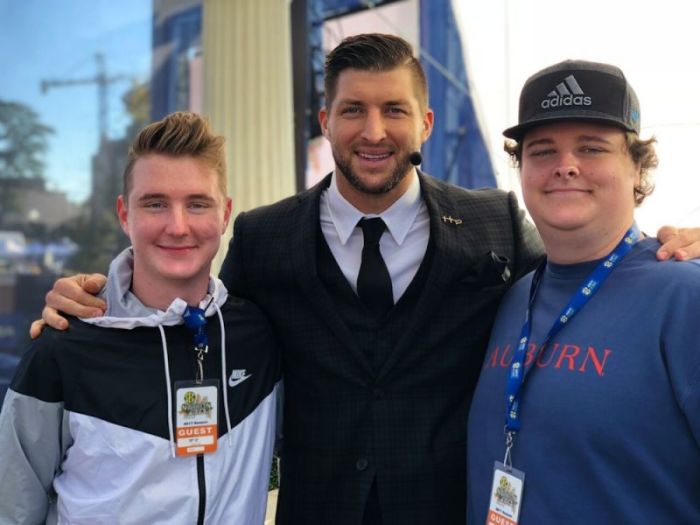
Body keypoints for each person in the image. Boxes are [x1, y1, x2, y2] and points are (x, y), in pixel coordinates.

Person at [32, 36, 700, 524]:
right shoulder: (265, 238)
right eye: (352, 110)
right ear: (326, 122)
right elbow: (198, 323)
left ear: (426, 124)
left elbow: (588, 270)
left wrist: (672, 240)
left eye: (394, 110)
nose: (373, 131)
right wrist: (103, 293)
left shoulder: (494, 223)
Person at [0, 112, 281, 524]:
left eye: (198, 203)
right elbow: (11, 506)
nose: (178, 226)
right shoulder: (63, 346)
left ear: (225, 214)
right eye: (155, 204)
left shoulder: (260, 335)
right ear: (124, 214)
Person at [467, 59, 700, 524]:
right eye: (542, 151)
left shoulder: (683, 295)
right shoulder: (515, 297)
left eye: (592, 148)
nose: (565, 167)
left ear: (637, 168)